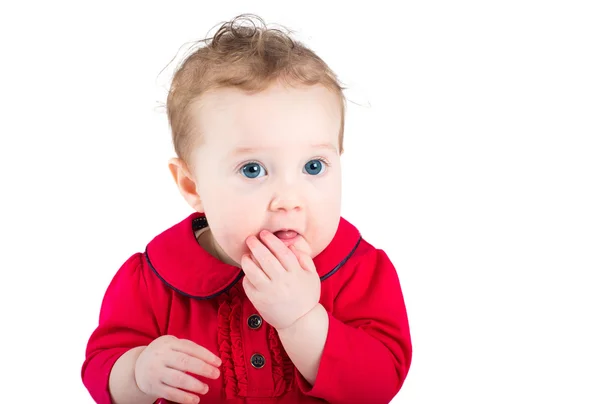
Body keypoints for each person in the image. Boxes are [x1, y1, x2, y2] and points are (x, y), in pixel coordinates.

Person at [81, 14, 412, 404]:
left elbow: (378, 386)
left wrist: (303, 321)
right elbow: (99, 368)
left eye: (314, 166)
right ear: (192, 185)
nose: (289, 198)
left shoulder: (362, 271)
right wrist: (137, 373)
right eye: (253, 170)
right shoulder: (152, 278)